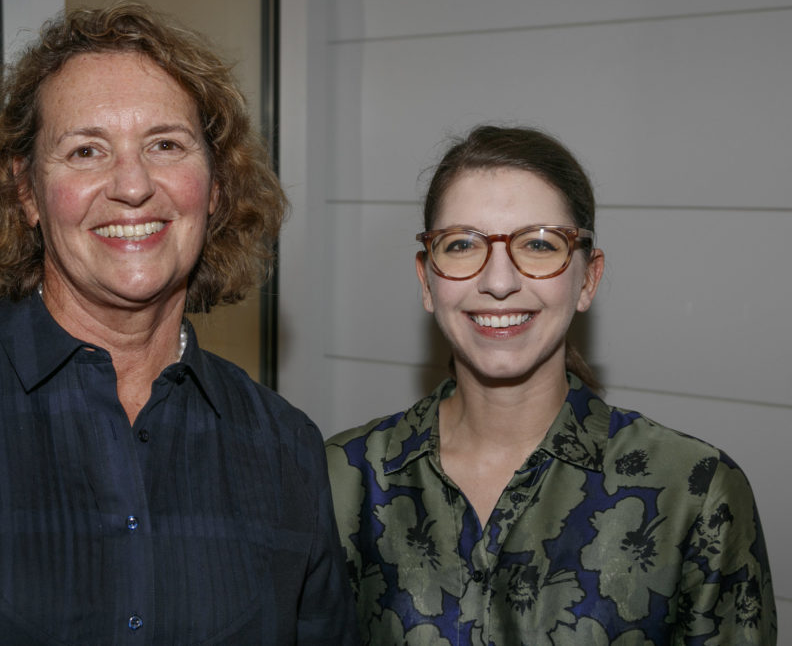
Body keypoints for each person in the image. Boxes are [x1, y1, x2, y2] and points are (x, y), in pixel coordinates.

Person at [0, 2, 356, 644]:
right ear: (25, 192)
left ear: (214, 187)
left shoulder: (284, 450)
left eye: (165, 144)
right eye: (85, 150)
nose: (132, 186)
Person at [326, 125, 776, 645]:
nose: (498, 282)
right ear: (427, 280)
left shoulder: (693, 493)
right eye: (462, 244)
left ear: (587, 278)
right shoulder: (345, 479)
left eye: (539, 244)